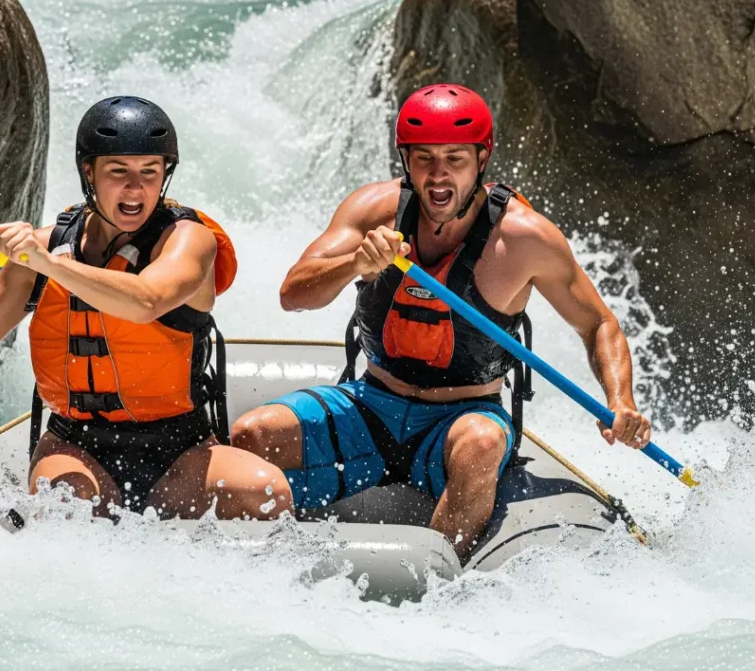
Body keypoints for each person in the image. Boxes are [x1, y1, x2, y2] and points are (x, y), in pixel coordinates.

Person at [231, 84, 651, 557]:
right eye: (424, 158)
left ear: (482, 159)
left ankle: (431, 581)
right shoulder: (374, 210)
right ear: (405, 160)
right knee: (254, 433)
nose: (438, 175)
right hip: (371, 403)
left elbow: (598, 324)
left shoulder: (524, 238)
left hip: (462, 416)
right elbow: (294, 294)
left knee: (481, 443)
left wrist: (621, 400)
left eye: (455, 158)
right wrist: (354, 264)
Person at [0, 96, 292, 520]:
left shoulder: (188, 240)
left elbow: (147, 301)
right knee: (68, 507)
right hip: (78, 446)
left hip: (179, 447)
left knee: (267, 493)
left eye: (150, 171)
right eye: (119, 171)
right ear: (88, 173)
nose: (136, 188)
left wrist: (49, 265)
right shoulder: (44, 248)